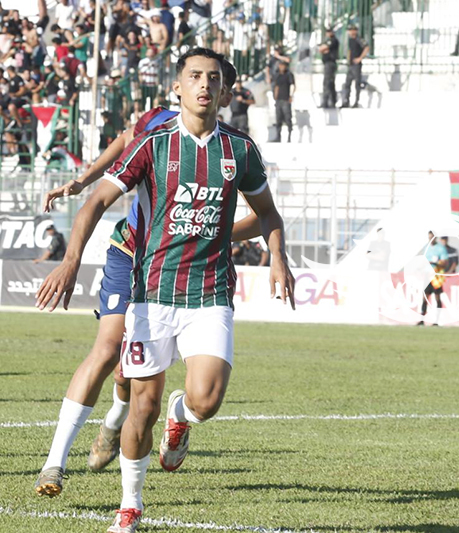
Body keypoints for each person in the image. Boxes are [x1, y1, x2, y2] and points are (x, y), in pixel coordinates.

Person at [35, 48, 295, 533]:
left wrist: (277, 255)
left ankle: (183, 414)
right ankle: (129, 505)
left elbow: (268, 212)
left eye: (212, 78)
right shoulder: (153, 142)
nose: (203, 85)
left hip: (210, 291)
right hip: (150, 291)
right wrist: (71, 260)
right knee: (140, 405)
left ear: (224, 90)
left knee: (207, 400)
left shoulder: (240, 150)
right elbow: (97, 202)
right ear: (177, 86)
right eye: (194, 76)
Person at [417, 231, 448, 327]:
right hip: (427, 275)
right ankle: (422, 320)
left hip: (436, 276)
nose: (430, 239)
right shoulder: (426, 248)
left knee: (437, 298)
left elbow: (444, 263)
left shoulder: (441, 249)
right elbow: (424, 261)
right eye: (429, 237)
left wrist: (435, 262)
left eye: (432, 237)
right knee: (425, 297)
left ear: (435, 238)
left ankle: (436, 321)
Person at [341, 24, 368, 109]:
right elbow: (349, 50)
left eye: (352, 30)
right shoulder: (350, 40)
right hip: (351, 64)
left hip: (356, 65)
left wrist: (360, 58)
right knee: (347, 84)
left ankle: (356, 101)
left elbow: (366, 47)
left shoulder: (358, 39)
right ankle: (346, 101)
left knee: (357, 84)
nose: (350, 32)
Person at [273, 60, 294, 142]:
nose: (281, 67)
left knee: (288, 118)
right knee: (278, 119)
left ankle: (289, 137)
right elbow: (276, 86)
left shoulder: (289, 75)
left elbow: (292, 85)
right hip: (279, 100)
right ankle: (278, 136)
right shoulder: (277, 75)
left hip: (286, 99)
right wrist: (275, 96)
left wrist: (291, 96)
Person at [319, 26, 339, 109]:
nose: (328, 33)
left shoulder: (333, 40)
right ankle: (332, 100)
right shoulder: (327, 41)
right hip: (327, 63)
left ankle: (326, 101)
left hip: (330, 63)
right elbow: (321, 49)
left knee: (327, 83)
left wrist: (324, 48)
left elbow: (323, 48)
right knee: (330, 83)